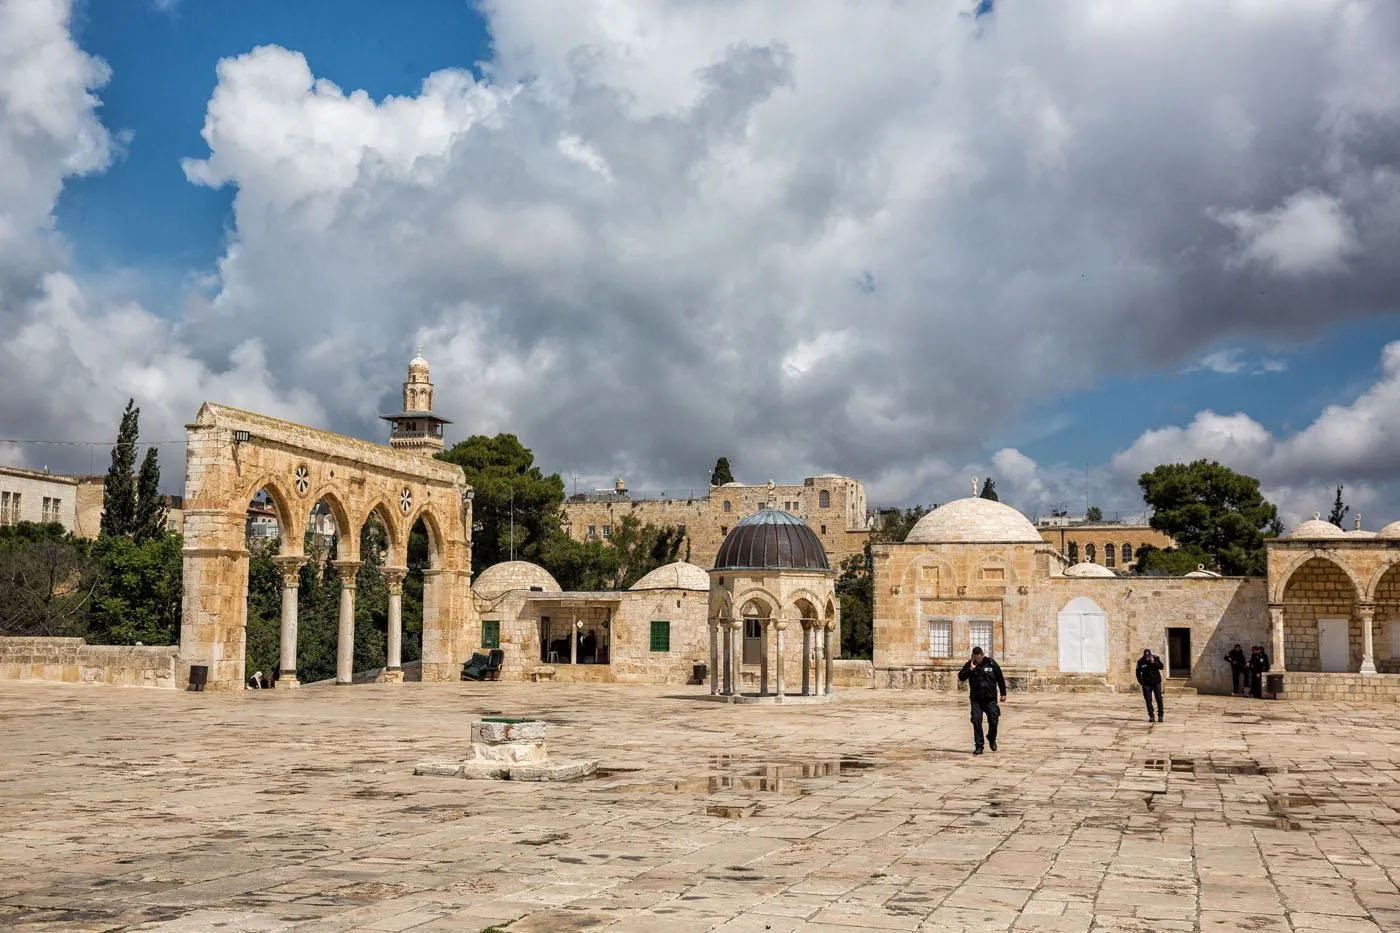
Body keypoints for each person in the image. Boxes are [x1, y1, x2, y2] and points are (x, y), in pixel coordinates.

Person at [957, 646, 1006, 755]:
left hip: (990, 699)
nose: (977, 659)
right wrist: (970, 669)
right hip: (976, 699)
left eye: (979, 657)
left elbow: (1000, 678)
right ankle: (979, 746)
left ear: (982, 655)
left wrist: (1003, 694)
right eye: (975, 657)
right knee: (976, 720)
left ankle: (991, 738)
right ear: (973, 656)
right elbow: (961, 677)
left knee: (994, 720)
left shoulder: (991, 663)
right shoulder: (970, 665)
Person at [1135, 649, 1164, 722]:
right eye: (1146, 656)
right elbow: (1137, 672)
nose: (1147, 658)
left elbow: (1161, 667)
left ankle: (1160, 715)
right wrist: (1141, 681)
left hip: (1156, 682)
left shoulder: (1156, 658)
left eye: (1148, 656)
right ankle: (1151, 716)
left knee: (1159, 698)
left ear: (1150, 655)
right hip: (1146, 683)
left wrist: (1153, 662)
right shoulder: (1140, 661)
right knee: (1148, 699)